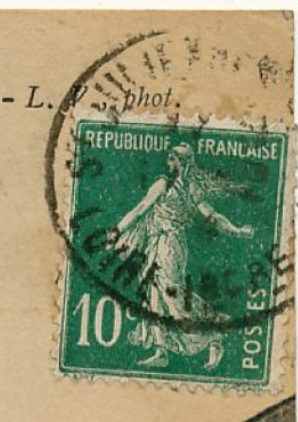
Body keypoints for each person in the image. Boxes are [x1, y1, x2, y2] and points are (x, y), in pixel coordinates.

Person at [105, 143, 256, 370]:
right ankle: (161, 350)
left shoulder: (179, 187)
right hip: (158, 243)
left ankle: (212, 335)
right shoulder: (169, 186)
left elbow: (211, 217)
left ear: (179, 162)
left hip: (171, 245)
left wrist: (117, 231)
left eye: (172, 159)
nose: (168, 162)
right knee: (154, 293)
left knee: (171, 293)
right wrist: (118, 230)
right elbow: (142, 209)